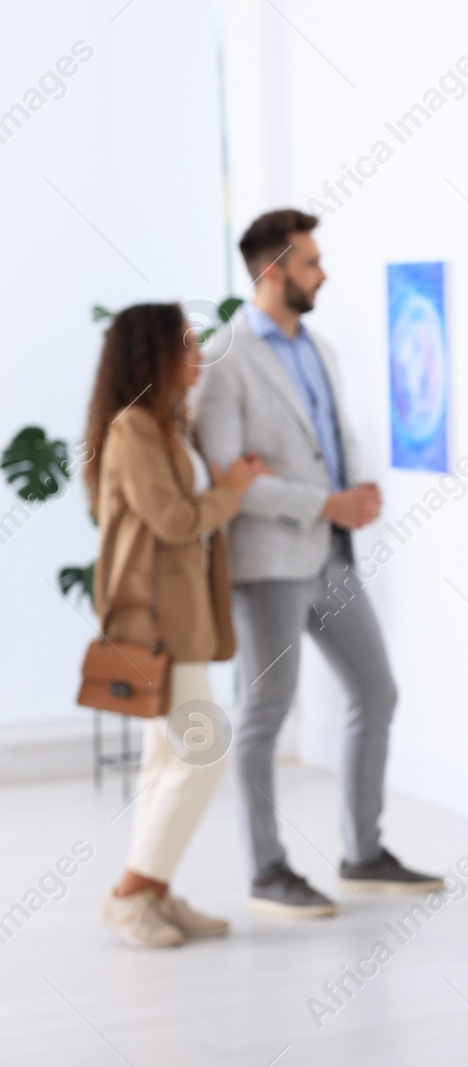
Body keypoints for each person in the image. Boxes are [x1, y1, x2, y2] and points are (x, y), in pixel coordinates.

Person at [194, 209, 441, 918]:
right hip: (268, 562)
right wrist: (324, 502)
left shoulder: (320, 348)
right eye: (309, 262)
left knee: (377, 690)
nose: (322, 272)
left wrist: (356, 491)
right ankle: (266, 868)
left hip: (332, 554)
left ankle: (362, 853)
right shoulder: (226, 358)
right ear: (273, 273)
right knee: (267, 712)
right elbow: (229, 479)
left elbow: (335, 437)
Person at [86, 303, 272, 947]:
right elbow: (172, 520)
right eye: (186, 345)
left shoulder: (165, 426)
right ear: (151, 356)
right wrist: (234, 490)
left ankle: (153, 895)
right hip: (157, 621)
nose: (198, 356)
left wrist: (223, 484)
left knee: (164, 759)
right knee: (202, 752)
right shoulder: (134, 429)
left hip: (181, 615)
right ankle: (133, 892)